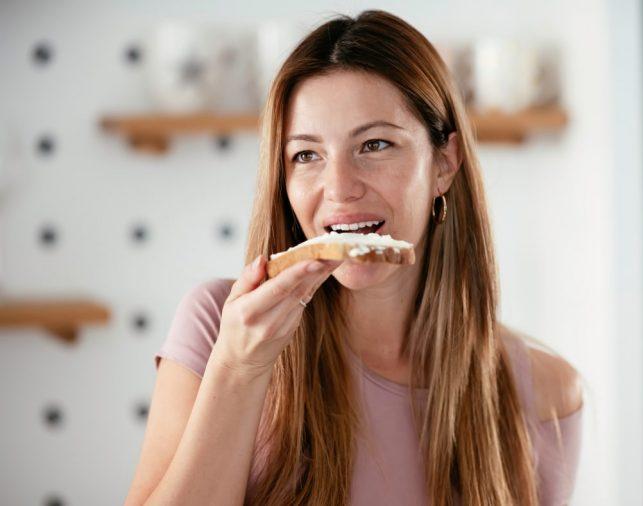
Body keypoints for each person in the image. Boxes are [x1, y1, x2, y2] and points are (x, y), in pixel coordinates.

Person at [125, 9, 583, 506]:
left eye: (375, 144)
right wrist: (238, 369)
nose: (339, 188)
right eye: (306, 155)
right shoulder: (218, 327)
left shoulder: (545, 393)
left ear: (444, 164)